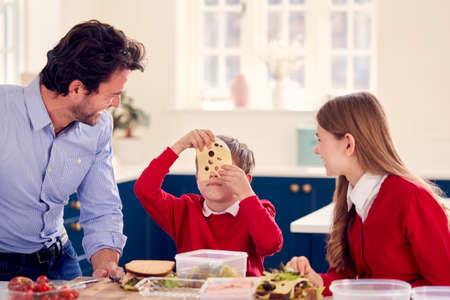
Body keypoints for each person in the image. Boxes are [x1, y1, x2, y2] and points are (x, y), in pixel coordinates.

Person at [0, 20, 145, 280]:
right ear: (76, 89)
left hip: (60, 259)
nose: (116, 103)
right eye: (111, 94)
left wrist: (106, 262)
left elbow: (102, 206)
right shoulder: (4, 113)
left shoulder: (98, 127)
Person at [286, 92, 450, 295]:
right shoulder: (353, 200)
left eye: (320, 139)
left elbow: (444, 286)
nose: (316, 150)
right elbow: (349, 278)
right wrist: (315, 280)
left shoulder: (411, 198)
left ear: (348, 143)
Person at [134, 129, 283, 276]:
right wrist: (179, 146)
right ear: (198, 177)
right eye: (207, 167)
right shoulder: (184, 210)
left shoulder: (258, 210)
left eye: (224, 169)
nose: (213, 173)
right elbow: (144, 188)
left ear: (246, 180)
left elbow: (270, 245)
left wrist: (246, 193)